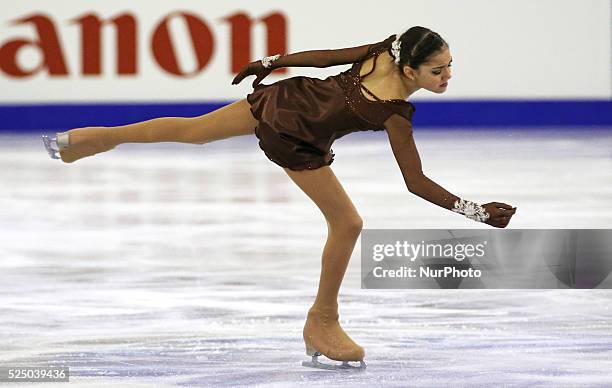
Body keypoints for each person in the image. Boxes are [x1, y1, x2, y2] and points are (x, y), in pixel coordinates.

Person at [42, 26, 517, 370]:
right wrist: (475, 211)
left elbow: (326, 60)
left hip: (284, 99)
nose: (448, 75)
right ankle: (321, 322)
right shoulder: (394, 112)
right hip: (295, 136)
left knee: (192, 132)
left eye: (450, 66)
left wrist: (271, 66)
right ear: (410, 66)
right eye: (438, 69)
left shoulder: (385, 61)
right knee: (348, 224)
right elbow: (413, 178)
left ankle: (91, 139)